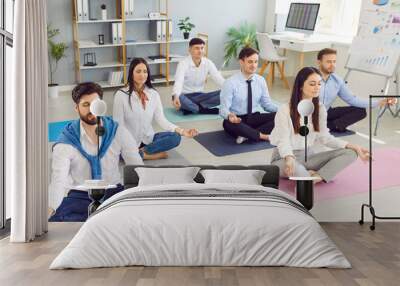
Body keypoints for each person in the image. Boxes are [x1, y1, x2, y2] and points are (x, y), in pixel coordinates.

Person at [48, 82, 143, 222]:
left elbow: (138, 169)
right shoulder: (66, 141)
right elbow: (58, 180)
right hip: (80, 196)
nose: (92, 109)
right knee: (58, 222)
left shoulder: (119, 132)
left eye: (95, 104)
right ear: (76, 108)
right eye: (86, 105)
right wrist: (50, 208)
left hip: (113, 193)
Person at [270, 67, 370, 183]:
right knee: (301, 172)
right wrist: (289, 158)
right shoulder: (284, 109)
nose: (317, 88)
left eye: (319, 84)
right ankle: (310, 175)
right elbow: (283, 140)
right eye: (312, 84)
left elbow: (325, 138)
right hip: (283, 157)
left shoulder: (320, 108)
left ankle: (317, 176)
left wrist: (354, 146)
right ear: (301, 86)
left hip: (308, 156)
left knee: (351, 153)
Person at [113, 58, 198, 160]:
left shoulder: (153, 94)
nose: (142, 75)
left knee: (175, 138)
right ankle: (149, 155)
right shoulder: (121, 95)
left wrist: (183, 131)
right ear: (131, 73)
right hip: (129, 141)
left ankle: (141, 153)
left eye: (145, 71)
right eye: (138, 71)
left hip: (148, 139)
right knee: (117, 151)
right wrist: (127, 145)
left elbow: (161, 120)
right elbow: (118, 126)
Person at [317, 48, 396, 132]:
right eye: (328, 62)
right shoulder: (309, 77)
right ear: (319, 62)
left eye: (334, 62)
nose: (332, 65)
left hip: (326, 112)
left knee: (360, 111)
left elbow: (353, 99)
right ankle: (321, 126)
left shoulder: (337, 80)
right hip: (311, 114)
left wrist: (379, 102)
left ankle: (331, 126)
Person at [219, 47, 278, 144]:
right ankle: (263, 136)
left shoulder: (261, 80)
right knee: (228, 124)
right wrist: (229, 115)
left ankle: (246, 135)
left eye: (256, 62)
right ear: (241, 62)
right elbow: (223, 109)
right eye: (250, 62)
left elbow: (267, 105)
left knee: (280, 116)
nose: (254, 65)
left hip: (254, 118)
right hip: (238, 120)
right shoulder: (230, 83)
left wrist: (284, 110)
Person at [172, 37, 225, 115]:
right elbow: (178, 81)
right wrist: (176, 96)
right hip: (185, 96)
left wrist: (231, 88)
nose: (200, 51)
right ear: (189, 50)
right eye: (197, 48)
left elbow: (218, 78)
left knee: (225, 92)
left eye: (202, 48)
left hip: (201, 96)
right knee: (177, 97)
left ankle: (192, 109)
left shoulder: (208, 62)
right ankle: (203, 110)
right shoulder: (183, 63)